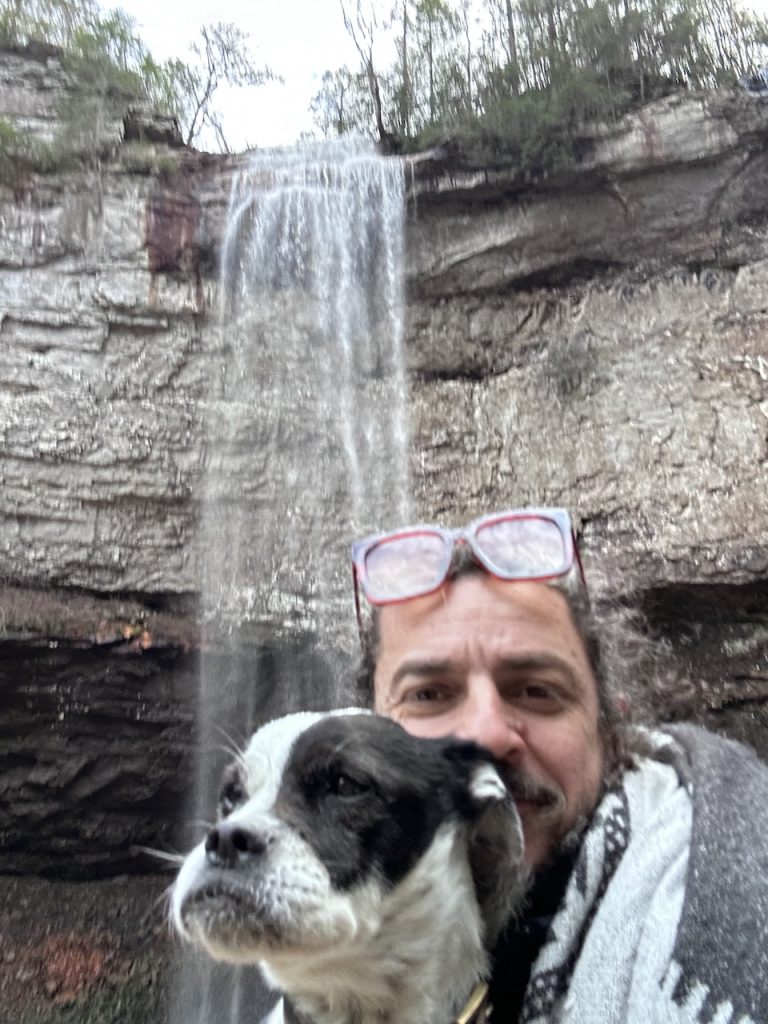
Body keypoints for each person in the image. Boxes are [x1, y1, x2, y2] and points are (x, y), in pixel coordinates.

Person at [350, 507, 768, 1024]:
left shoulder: (731, 877)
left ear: (610, 729)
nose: (486, 734)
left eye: (536, 690)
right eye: (430, 695)